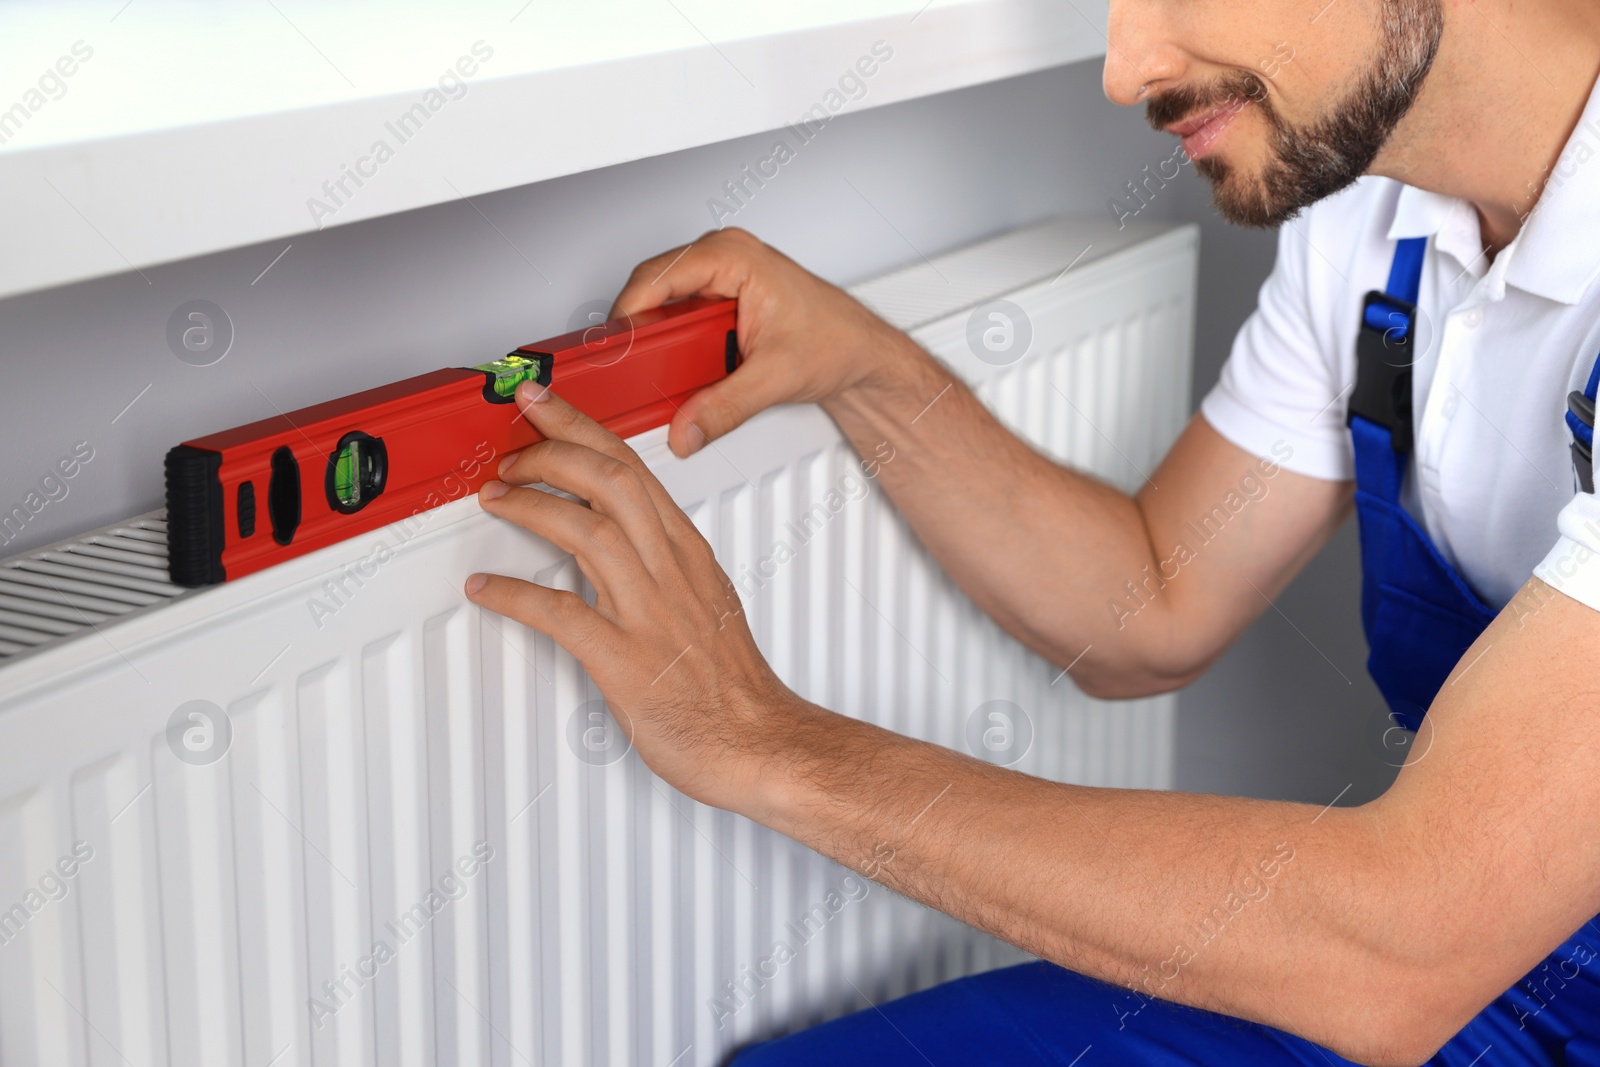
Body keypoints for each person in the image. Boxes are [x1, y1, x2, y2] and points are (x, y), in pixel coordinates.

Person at [461, 0, 1600, 1061]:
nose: (1124, 69)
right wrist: (866, 367)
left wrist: (762, 742)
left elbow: (1408, 939)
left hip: (1439, 961)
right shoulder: (1372, 219)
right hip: (1470, 979)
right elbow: (1150, 602)